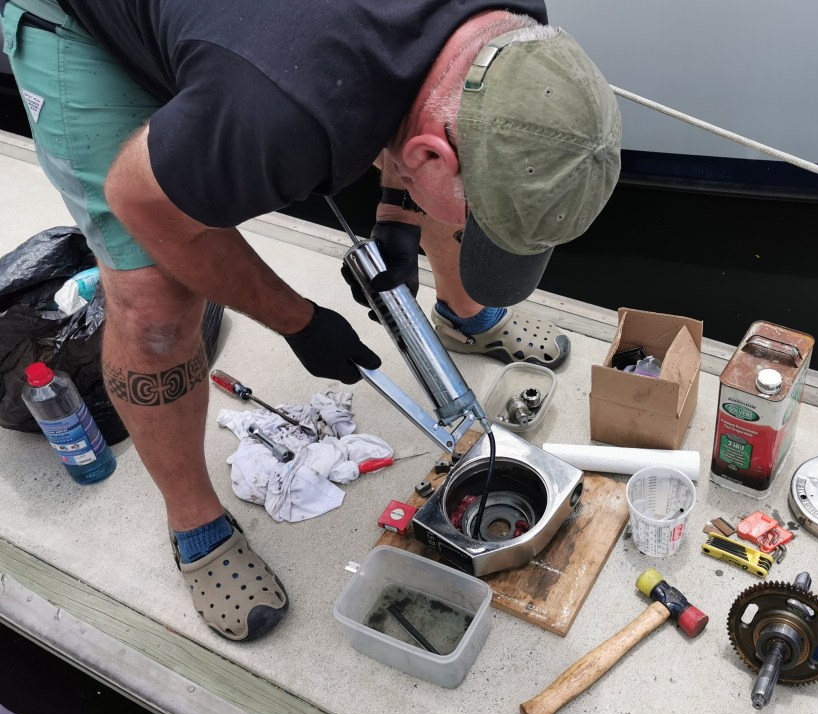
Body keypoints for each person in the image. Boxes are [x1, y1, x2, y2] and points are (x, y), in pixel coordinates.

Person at [0, 0, 621, 641]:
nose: (465, 233)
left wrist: (400, 218)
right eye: (474, 230)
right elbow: (142, 204)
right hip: (89, 24)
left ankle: (462, 316)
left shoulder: (512, 31)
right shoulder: (280, 113)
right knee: (156, 299)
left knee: (465, 165)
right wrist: (297, 321)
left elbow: (423, 98)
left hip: (263, 48)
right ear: (427, 155)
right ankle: (194, 522)